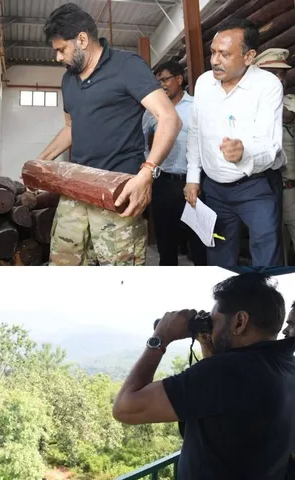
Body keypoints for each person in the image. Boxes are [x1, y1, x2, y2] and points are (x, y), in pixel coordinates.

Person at [112, 273, 295, 479]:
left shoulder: (231, 371)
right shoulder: (285, 364)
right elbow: (224, 401)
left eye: (214, 321)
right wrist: (208, 346)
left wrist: (161, 337)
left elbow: (125, 408)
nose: (212, 329)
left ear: (239, 322)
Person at [38, 4, 181, 266]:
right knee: (63, 266)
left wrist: (147, 173)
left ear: (82, 39)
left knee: (119, 277)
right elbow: (71, 128)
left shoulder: (127, 67)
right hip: (75, 189)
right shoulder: (68, 80)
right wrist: (43, 159)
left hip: (118, 190)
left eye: (61, 49)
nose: (58, 57)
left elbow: (169, 118)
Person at [185, 19, 286, 266]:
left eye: (224, 54)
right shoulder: (204, 83)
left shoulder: (267, 86)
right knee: (219, 258)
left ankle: (266, 302)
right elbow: (195, 132)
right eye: (213, 52)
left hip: (256, 188)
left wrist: (244, 152)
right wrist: (192, 178)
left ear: (249, 56)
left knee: (266, 256)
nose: (214, 61)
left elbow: (271, 145)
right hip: (215, 190)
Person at [142, 60, 208, 266]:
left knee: (199, 244)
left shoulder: (197, 107)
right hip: (163, 184)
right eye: (157, 81)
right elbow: (143, 144)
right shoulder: (150, 112)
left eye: (165, 79)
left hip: (195, 184)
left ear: (179, 79)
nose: (161, 85)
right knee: (166, 245)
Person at [252, 48, 295, 259]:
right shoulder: (249, 107)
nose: (280, 79)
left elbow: (287, 116)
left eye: (283, 74)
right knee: (276, 252)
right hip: (267, 191)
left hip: (289, 189)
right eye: (274, 73)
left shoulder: (290, 104)